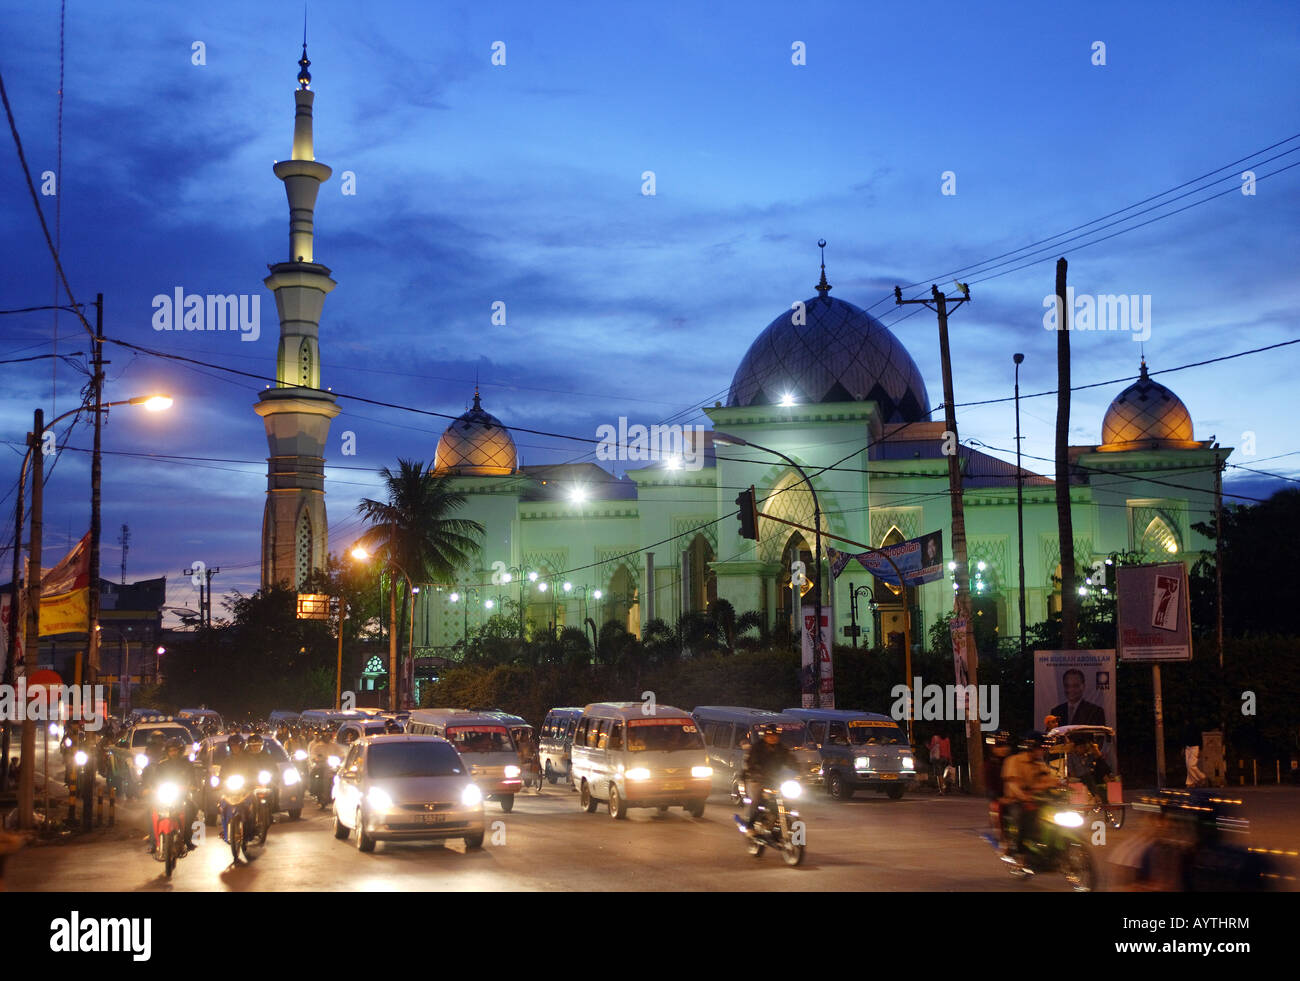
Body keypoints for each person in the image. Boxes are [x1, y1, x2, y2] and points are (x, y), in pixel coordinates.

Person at [1000, 731, 1058, 863]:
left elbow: (1049, 779)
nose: (1042, 752)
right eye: (1041, 748)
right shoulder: (1014, 761)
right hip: (1016, 801)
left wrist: (1062, 785)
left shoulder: (1040, 764)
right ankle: (1020, 853)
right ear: (1032, 747)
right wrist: (1024, 798)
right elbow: (1012, 785)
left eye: (1044, 749)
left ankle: (1051, 848)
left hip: (1037, 799)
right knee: (1025, 818)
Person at [141, 736, 198, 854]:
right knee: (150, 811)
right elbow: (154, 781)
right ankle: (153, 842)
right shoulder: (162, 765)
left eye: (176, 750)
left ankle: (187, 840)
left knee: (192, 808)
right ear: (167, 751)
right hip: (164, 796)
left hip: (181, 796)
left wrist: (192, 786)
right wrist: (149, 789)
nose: (173, 753)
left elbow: (193, 780)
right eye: (171, 750)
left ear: (180, 751)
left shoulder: (187, 764)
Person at [737, 724, 794, 832]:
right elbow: (751, 764)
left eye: (775, 735)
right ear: (765, 736)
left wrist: (800, 773)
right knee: (758, 798)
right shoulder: (757, 748)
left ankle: (777, 821)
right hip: (755, 778)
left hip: (773, 779)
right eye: (769, 735)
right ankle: (750, 826)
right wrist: (757, 772)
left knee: (786, 798)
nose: (772, 737)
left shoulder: (782, 748)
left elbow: (792, 761)